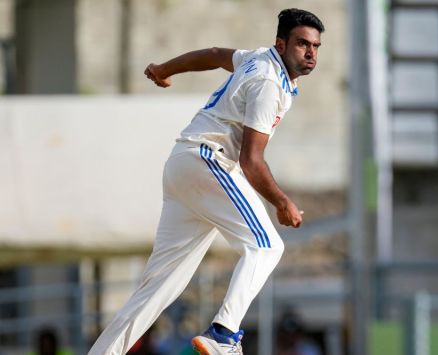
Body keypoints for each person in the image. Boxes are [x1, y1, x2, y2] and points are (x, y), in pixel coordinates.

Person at [87, 8, 324, 355]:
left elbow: (214, 56)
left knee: (157, 289)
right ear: (281, 43)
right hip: (209, 161)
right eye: (303, 44)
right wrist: (282, 202)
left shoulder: (258, 58)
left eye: (316, 46)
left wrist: (165, 69)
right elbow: (251, 161)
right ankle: (223, 334)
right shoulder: (269, 82)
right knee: (267, 246)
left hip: (182, 164)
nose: (311, 53)